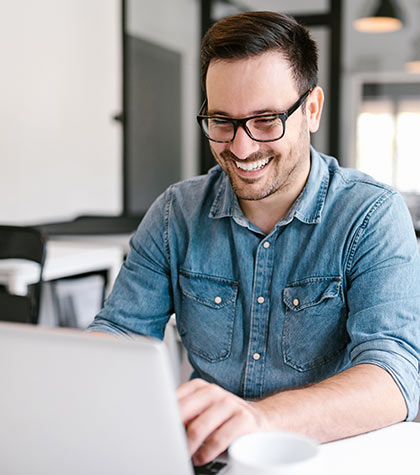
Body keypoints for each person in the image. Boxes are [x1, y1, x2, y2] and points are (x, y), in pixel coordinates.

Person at [88, 11, 420, 466]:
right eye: (222, 121)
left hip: (325, 459)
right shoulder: (175, 214)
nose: (241, 149)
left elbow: (394, 378)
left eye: (266, 120)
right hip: (207, 458)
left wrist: (259, 419)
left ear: (312, 110)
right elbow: (121, 334)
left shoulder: (371, 215)